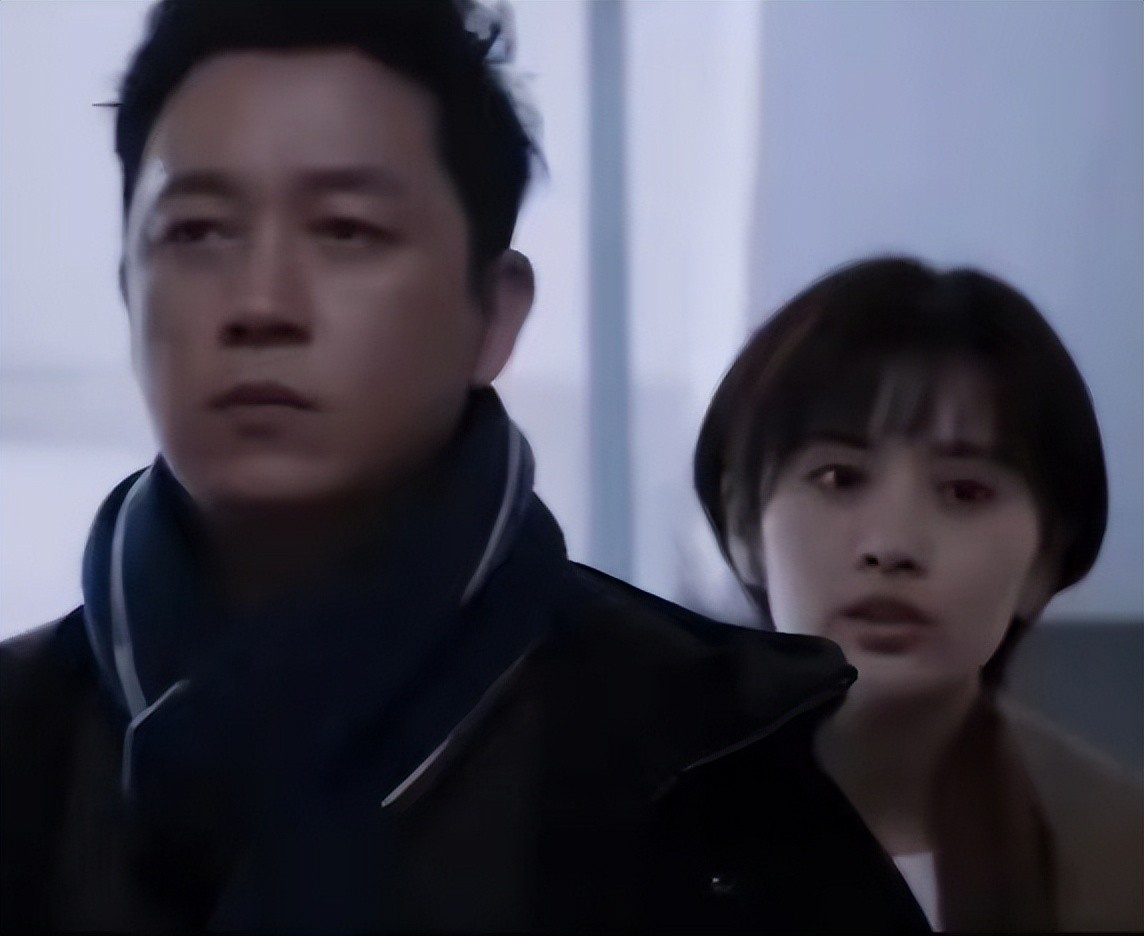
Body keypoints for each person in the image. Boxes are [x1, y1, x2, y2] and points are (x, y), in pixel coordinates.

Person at [0, 2, 927, 931]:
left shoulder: (713, 769)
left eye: (345, 231)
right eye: (199, 233)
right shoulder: (23, 736)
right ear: (128, 291)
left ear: (494, 313)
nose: (261, 303)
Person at [694, 255, 1144, 932]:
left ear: (1046, 562)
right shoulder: (604, 822)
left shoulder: (1116, 854)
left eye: (964, 491)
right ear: (742, 523)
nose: (892, 545)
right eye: (839, 478)